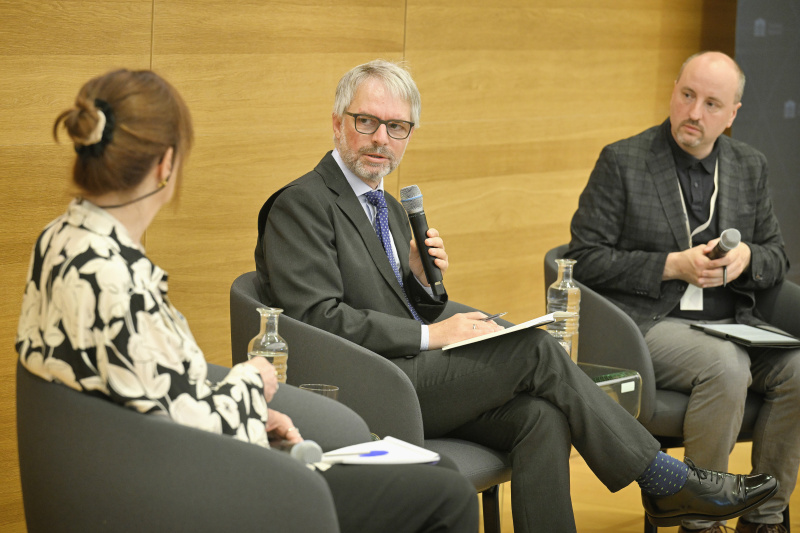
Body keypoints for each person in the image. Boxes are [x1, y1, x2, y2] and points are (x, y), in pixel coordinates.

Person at [254, 58, 780, 533]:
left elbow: (404, 307)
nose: (380, 139)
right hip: (363, 388)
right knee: (532, 349)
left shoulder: (387, 207)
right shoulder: (301, 204)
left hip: (410, 371)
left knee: (540, 416)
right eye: (366, 122)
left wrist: (419, 280)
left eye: (397, 128)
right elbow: (316, 319)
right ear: (337, 122)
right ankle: (665, 479)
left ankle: (658, 487)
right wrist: (433, 331)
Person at [15, 68, 478, 533]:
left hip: (152, 466)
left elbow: (147, 389)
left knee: (433, 476)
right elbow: (171, 420)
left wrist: (248, 405)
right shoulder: (115, 278)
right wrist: (250, 386)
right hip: (189, 485)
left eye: (397, 127)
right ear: (166, 165)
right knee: (446, 491)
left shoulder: (63, 241)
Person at [567, 51, 800, 533]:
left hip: (734, 322)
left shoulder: (749, 166)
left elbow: (777, 256)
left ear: (733, 113)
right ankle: (698, 517)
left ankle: (764, 518)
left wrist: (748, 259)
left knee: (798, 370)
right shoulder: (623, 160)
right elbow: (583, 258)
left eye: (712, 104)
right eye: (687, 95)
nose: (694, 113)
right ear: (673, 89)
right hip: (653, 324)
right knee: (726, 367)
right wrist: (672, 265)